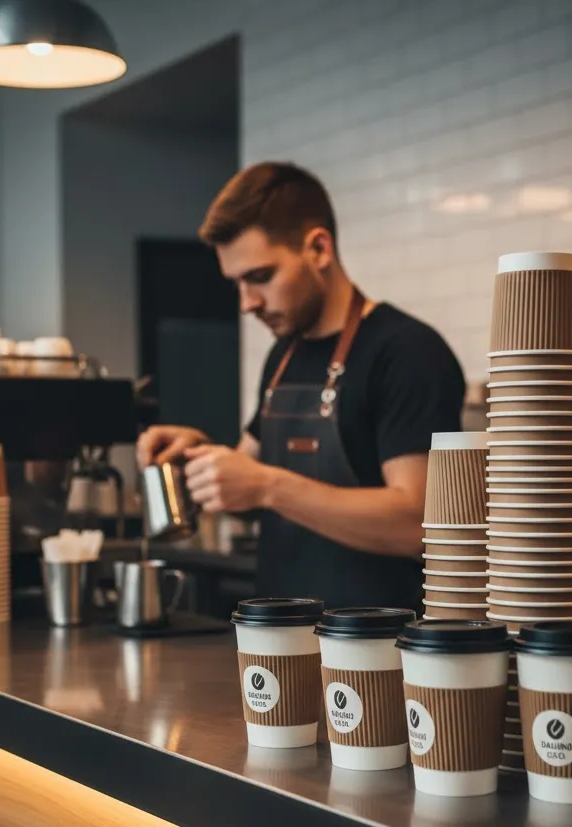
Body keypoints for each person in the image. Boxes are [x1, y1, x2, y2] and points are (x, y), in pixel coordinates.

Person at [137, 162, 465, 610]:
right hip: (279, 644)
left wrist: (269, 486)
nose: (247, 303)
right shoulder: (284, 355)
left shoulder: (406, 352)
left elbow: (418, 524)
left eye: (261, 277)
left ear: (319, 248)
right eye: (236, 284)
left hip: (378, 653)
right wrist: (198, 453)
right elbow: (247, 483)